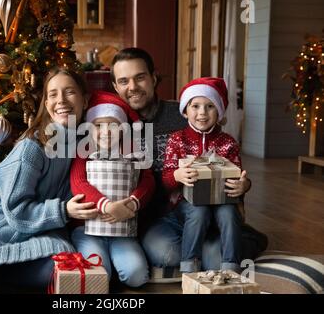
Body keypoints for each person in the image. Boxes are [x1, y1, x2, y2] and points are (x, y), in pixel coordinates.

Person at [110, 47, 267, 273]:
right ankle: (212, 249)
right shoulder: (112, 124)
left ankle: (236, 240)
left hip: (205, 206)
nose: (133, 87)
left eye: (140, 78)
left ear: (153, 79)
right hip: (163, 220)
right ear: (116, 87)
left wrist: (240, 194)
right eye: (124, 81)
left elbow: (223, 156)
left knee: (214, 255)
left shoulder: (185, 112)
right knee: (165, 253)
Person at [0, 67, 98, 291]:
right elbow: (15, 209)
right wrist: (63, 210)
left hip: (42, 236)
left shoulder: (84, 145)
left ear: (84, 101)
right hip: (1, 227)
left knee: (61, 274)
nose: (61, 100)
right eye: (53, 94)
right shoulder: (32, 147)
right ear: (47, 104)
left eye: (70, 92)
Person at [69, 91, 155, 287]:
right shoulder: (84, 151)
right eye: (98, 126)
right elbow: (79, 182)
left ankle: (118, 265)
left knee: (137, 276)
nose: (106, 131)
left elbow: (147, 181)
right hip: (87, 229)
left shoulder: (133, 150)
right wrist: (106, 205)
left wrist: (133, 202)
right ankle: (108, 268)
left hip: (122, 228)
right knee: (98, 278)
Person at [162, 77, 244, 273]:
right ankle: (189, 267)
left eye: (210, 106)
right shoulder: (177, 140)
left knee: (229, 212)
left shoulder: (228, 142)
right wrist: (177, 176)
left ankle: (231, 268)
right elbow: (165, 178)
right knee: (199, 211)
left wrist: (244, 185)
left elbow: (238, 175)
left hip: (222, 201)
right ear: (185, 110)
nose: (202, 113)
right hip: (186, 204)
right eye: (195, 106)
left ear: (219, 112)